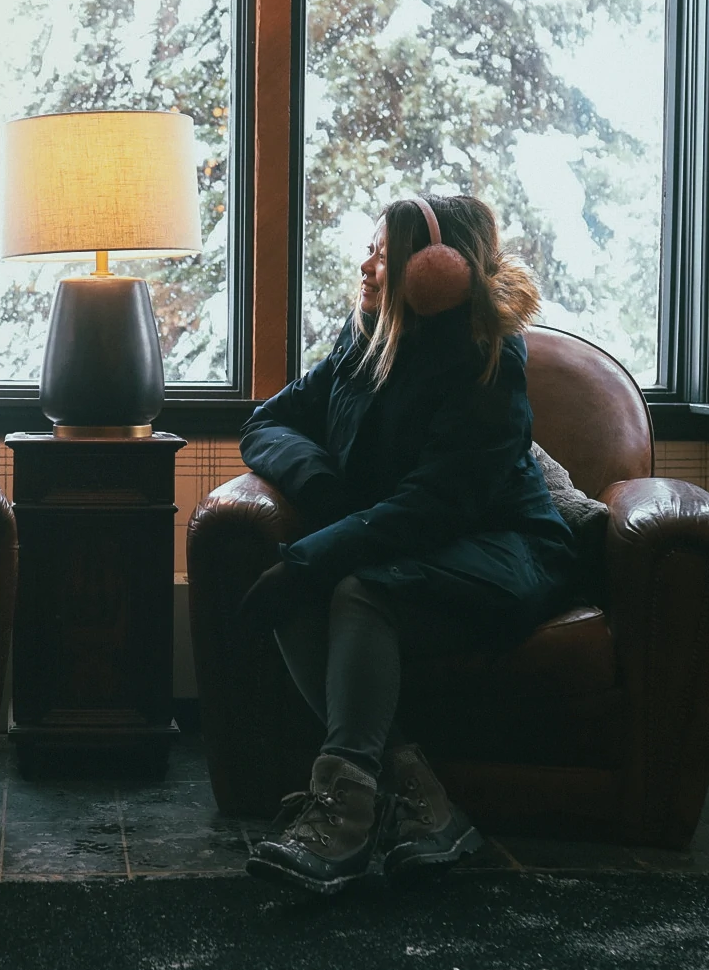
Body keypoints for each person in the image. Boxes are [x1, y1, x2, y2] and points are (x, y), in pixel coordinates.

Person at [238, 194, 580, 895]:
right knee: (304, 593)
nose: (364, 266)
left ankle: (343, 812)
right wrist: (328, 495)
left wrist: (315, 553)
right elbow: (268, 421)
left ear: (436, 271)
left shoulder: (487, 360)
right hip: (399, 542)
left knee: (358, 589)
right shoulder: (364, 335)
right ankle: (418, 797)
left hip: (502, 549)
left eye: (383, 255)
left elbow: (436, 504)